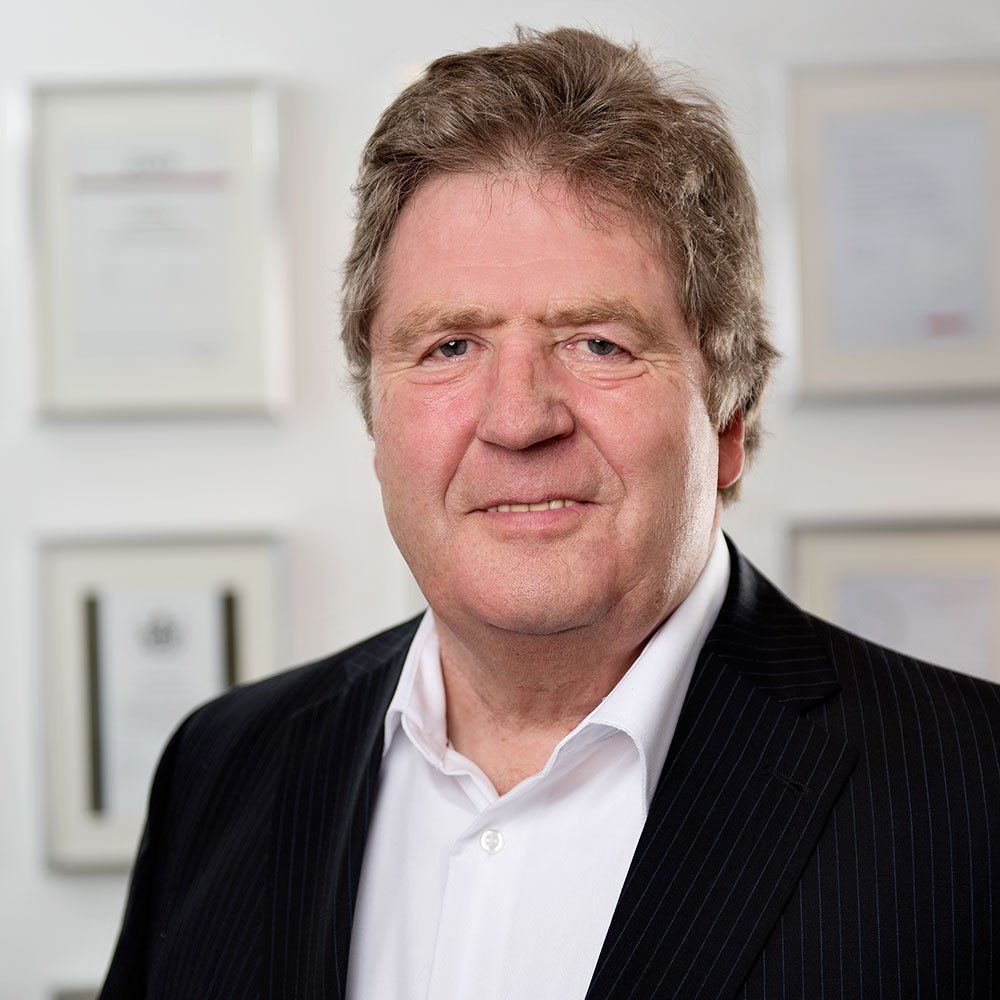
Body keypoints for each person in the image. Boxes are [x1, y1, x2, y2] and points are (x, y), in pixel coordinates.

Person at [99, 26, 1000, 1000]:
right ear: (376, 415)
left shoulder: (971, 794)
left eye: (598, 343)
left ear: (729, 415)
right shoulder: (222, 770)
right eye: (449, 346)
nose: (519, 419)